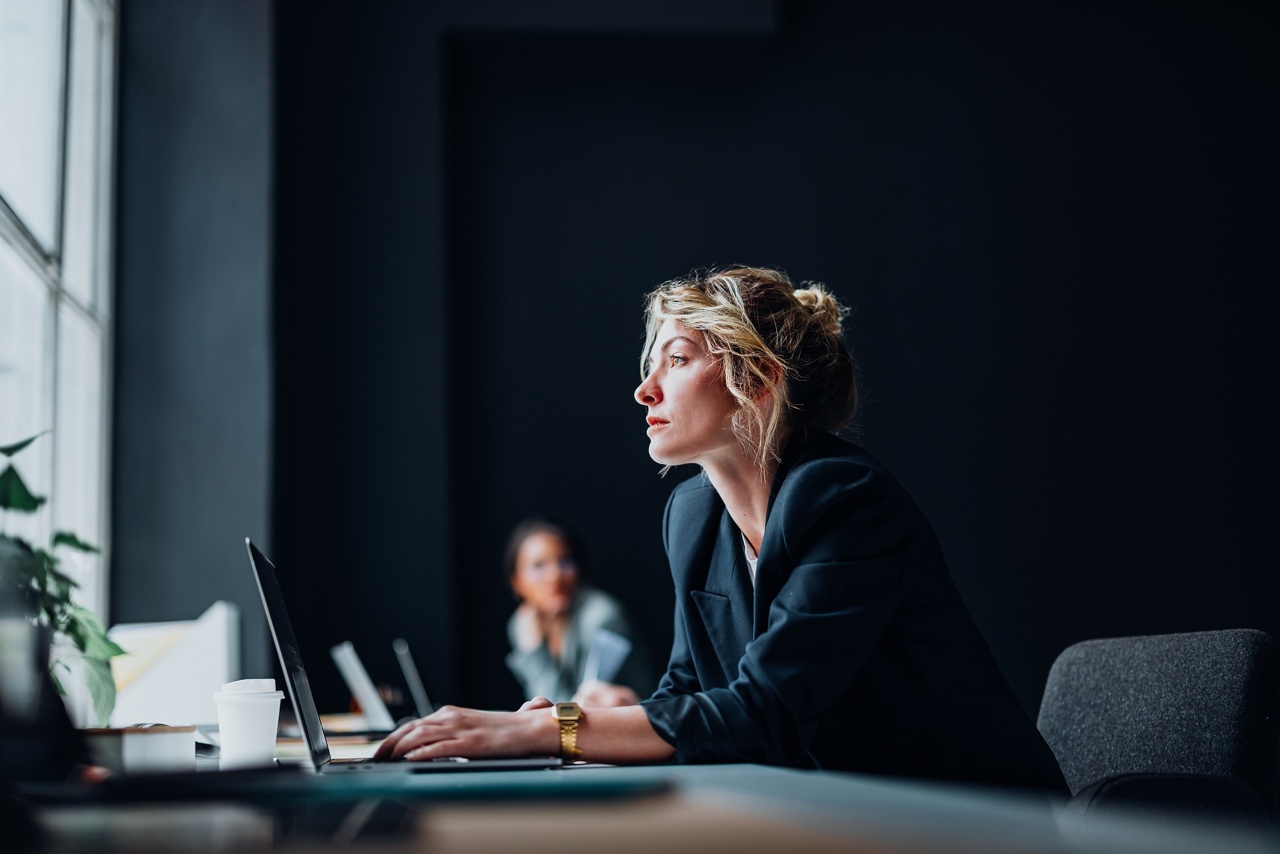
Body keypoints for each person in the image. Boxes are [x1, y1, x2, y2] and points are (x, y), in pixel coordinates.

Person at [377, 266, 1067, 792]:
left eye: (675, 360)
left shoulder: (847, 500)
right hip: (835, 814)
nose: (646, 389)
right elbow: (689, 692)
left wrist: (549, 732)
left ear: (757, 378)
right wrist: (579, 717)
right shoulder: (693, 514)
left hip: (972, 821)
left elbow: (765, 714)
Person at [503, 517, 655, 707]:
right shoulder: (523, 623)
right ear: (517, 582)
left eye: (565, 562)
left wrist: (535, 652)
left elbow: (570, 714)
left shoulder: (602, 617)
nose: (555, 575)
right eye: (539, 566)